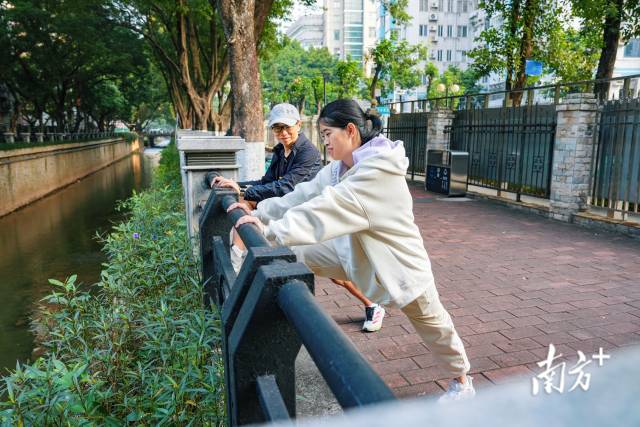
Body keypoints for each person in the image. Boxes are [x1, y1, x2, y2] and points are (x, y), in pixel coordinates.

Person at [228, 99, 475, 402]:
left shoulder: (378, 172)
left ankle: (462, 383)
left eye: (328, 134)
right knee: (292, 251)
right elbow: (304, 194)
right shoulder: (339, 168)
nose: (325, 141)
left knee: (434, 326)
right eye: (322, 135)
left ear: (350, 130)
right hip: (352, 254)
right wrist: (261, 214)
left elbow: (326, 208)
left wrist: (271, 229)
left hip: (401, 267)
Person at [214, 102, 386, 333]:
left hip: (308, 216)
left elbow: (287, 187)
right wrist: (238, 186)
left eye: (287, 127)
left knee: (337, 269)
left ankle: (373, 303)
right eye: (277, 128)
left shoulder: (308, 152)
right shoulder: (280, 152)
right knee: (308, 262)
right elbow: (267, 183)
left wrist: (246, 193)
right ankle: (239, 277)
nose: (283, 133)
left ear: (298, 124)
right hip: (290, 211)